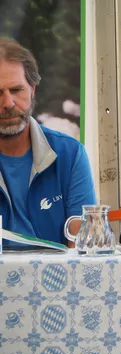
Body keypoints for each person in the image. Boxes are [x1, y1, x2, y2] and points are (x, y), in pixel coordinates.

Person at [0, 38, 96, 247]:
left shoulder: (70, 155)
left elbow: (82, 247)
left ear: (33, 89)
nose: (8, 103)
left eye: (16, 90)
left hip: (55, 278)